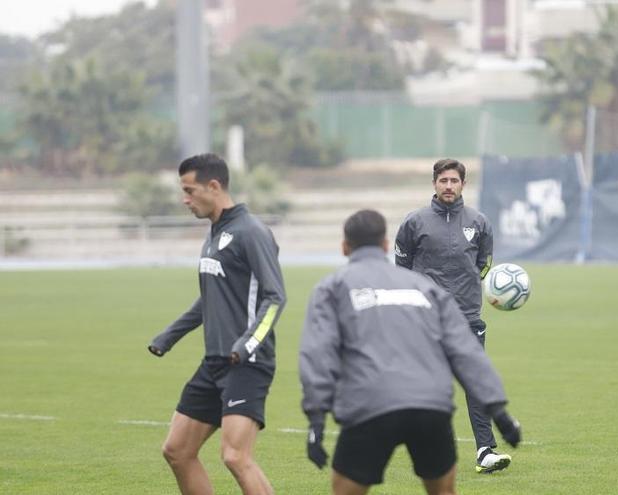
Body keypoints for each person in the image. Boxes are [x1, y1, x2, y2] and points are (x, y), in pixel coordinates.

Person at [299, 209, 521, 495]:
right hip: (430, 407)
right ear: (385, 245)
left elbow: (317, 355)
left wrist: (316, 419)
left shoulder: (332, 288)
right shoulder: (425, 288)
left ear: (344, 246)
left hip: (370, 406)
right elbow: (466, 351)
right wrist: (499, 413)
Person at [148, 153, 286, 495]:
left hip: (247, 363)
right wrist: (170, 335)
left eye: (189, 190)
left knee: (236, 456)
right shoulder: (214, 233)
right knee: (177, 451)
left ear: (214, 186)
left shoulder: (251, 231)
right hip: (214, 363)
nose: (185, 199)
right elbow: (209, 298)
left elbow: (275, 297)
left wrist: (247, 345)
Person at [393, 158, 510, 474]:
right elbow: (401, 268)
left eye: (454, 181)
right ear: (434, 183)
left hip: (468, 317)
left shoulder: (479, 223)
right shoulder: (414, 222)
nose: (448, 186)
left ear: (463, 185)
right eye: (443, 180)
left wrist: (471, 286)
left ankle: (485, 450)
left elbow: (484, 263)